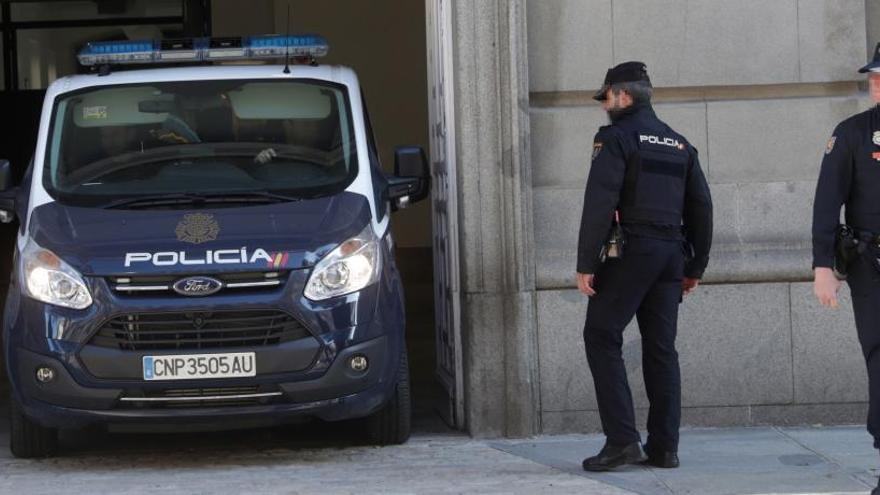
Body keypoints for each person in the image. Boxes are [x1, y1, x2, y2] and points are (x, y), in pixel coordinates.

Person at [576, 61, 713, 471]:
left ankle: (621, 440)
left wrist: (586, 262)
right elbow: (702, 207)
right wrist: (696, 266)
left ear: (624, 95)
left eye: (607, 97)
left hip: (632, 251)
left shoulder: (616, 139)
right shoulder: (679, 144)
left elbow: (600, 202)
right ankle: (665, 447)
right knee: (661, 349)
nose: (605, 106)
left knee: (600, 335)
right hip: (672, 253)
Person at [812, 42, 880, 495]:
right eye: (873, 76)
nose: (874, 83)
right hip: (871, 267)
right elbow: (826, 202)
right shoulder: (852, 132)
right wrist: (822, 267)